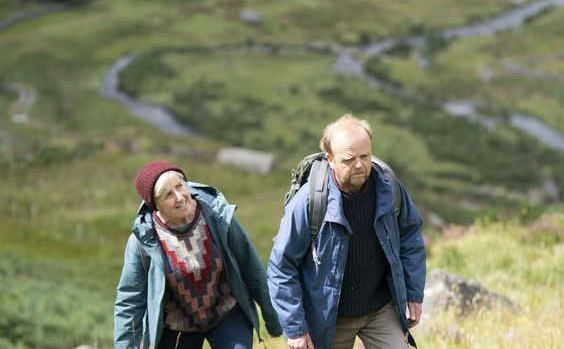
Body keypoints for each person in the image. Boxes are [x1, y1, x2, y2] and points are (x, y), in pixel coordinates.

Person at [267, 114, 427, 349]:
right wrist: (296, 329)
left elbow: (410, 235)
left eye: (365, 156)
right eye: (350, 159)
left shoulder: (388, 186)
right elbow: (281, 267)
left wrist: (414, 293)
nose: (360, 165)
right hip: (331, 317)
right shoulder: (309, 202)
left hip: (379, 309)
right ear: (330, 159)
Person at [114, 160, 282, 348]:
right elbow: (130, 300)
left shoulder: (218, 217)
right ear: (156, 205)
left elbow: (251, 268)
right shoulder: (143, 240)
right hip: (175, 328)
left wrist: (273, 321)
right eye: (168, 194)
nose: (179, 197)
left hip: (226, 315)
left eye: (180, 186)